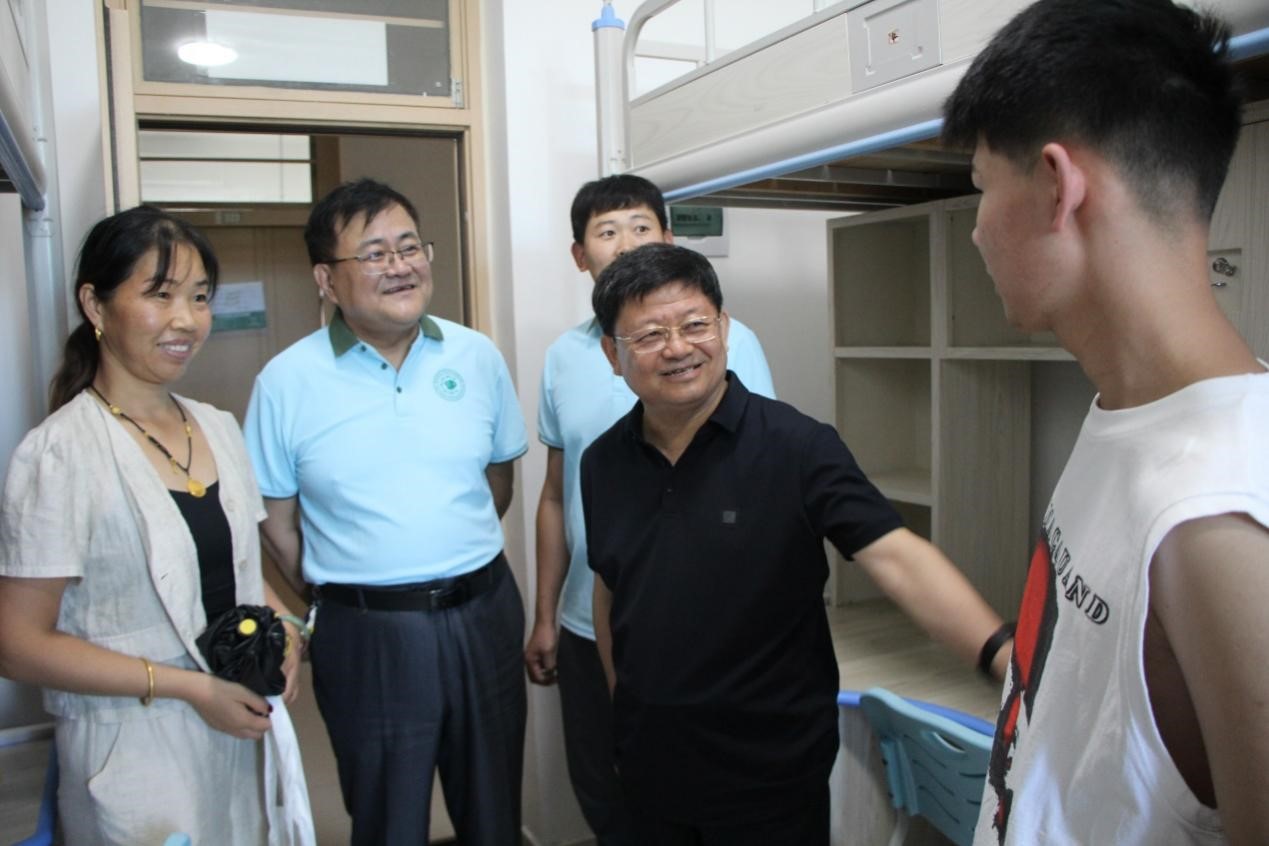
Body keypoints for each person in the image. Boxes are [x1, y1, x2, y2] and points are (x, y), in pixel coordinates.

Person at [941, 1, 1269, 843]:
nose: (975, 231)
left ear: (1057, 185)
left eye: (981, 187)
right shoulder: (1128, 415)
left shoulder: (1222, 518)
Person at [581, 242, 1011, 846]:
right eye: (650, 335)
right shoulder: (602, 462)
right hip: (652, 768)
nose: (678, 348)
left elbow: (896, 556)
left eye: (696, 324)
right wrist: (623, 707)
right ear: (613, 354)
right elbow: (611, 589)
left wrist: (1002, 656)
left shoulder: (798, 446)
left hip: (770, 777)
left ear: (724, 328)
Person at [0, 206, 311, 845]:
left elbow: (241, 570)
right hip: (131, 750)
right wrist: (189, 689)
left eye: (199, 297)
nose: (186, 320)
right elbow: (17, 643)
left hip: (237, 731)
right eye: (160, 294)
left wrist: (288, 630)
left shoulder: (217, 426)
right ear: (95, 304)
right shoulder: (60, 452)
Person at [244, 178, 529, 845]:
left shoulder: (476, 355)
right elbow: (277, 526)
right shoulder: (285, 381)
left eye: (409, 247)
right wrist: (354, 586)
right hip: (365, 633)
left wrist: (445, 550)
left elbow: (497, 481)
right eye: (374, 254)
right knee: (387, 821)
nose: (400, 266)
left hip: (484, 612)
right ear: (326, 279)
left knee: (494, 815)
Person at [523, 173, 775, 844]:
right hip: (587, 622)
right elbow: (555, 495)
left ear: (667, 237)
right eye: (607, 231)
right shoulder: (564, 357)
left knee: (701, 798)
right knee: (604, 789)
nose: (626, 243)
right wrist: (545, 615)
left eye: (641, 227)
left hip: (702, 625)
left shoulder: (725, 341)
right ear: (580, 254)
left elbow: (759, 479)